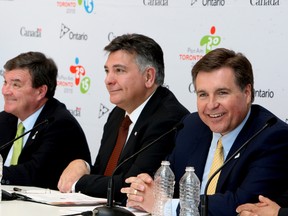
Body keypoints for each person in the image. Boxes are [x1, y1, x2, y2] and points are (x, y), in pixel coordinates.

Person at [121, 48, 288, 216]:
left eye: (222, 93)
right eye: (203, 95)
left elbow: (243, 204)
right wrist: (145, 189)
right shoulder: (192, 126)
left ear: (246, 93)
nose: (211, 104)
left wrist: (164, 206)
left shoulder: (272, 137)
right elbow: (167, 182)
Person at [57, 33, 189, 203]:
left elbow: (130, 187)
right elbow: (105, 173)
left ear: (148, 77)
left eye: (119, 70)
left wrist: (77, 182)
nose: (108, 80)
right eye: (107, 71)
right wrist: (83, 165)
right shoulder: (118, 113)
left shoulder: (168, 119)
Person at [0, 51, 91, 190]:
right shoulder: (6, 118)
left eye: (15, 85)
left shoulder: (60, 124)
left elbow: (33, 174)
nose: (6, 91)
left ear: (40, 91)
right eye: (5, 82)